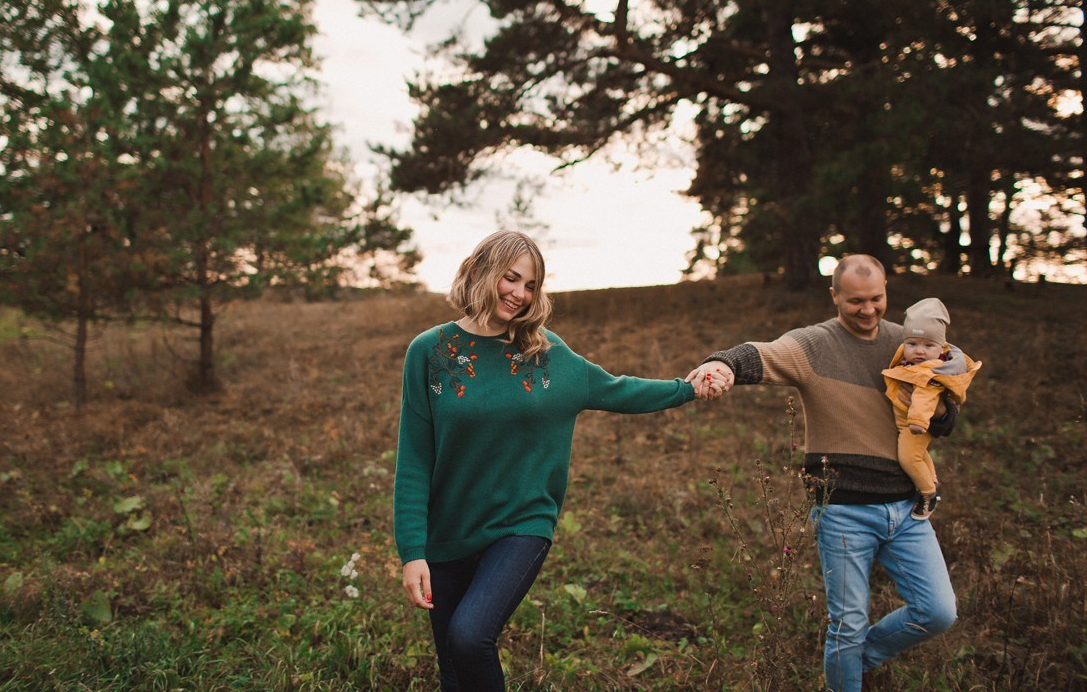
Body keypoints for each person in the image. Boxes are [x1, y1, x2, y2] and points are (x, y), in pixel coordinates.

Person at [394, 230, 706, 692]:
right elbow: (415, 457)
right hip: (449, 529)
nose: (519, 294)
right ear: (480, 270)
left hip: (521, 523)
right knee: (453, 669)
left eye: (531, 285)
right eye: (511, 278)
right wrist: (412, 551)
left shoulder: (544, 352)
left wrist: (688, 388)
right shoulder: (430, 351)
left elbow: (617, 389)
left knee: (469, 637)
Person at [686, 255, 959, 692]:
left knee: (938, 612)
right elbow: (763, 353)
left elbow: (945, 410)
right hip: (844, 511)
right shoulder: (814, 345)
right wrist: (722, 365)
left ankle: (855, 659)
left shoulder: (907, 343)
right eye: (855, 301)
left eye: (876, 298)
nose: (868, 310)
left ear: (886, 291)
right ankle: (845, 668)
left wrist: (941, 412)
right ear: (834, 295)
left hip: (907, 510)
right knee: (847, 625)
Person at [882, 297, 981, 520]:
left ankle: (928, 493)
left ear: (941, 347)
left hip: (915, 424)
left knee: (909, 458)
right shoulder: (912, 363)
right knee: (919, 454)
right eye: (912, 344)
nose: (919, 351)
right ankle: (932, 482)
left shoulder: (930, 372)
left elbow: (924, 399)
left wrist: (917, 422)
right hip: (906, 422)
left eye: (928, 346)